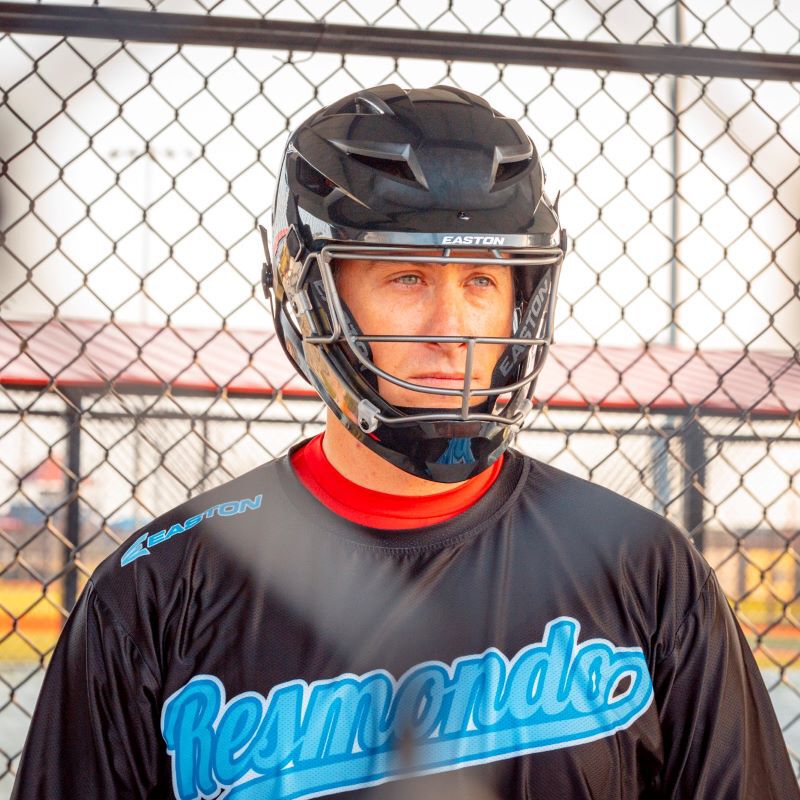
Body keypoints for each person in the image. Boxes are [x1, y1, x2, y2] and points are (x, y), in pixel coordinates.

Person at [10, 84, 798, 799]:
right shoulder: (157, 592)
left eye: (482, 283)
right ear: (312, 296)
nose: (451, 329)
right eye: (407, 278)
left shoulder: (643, 569)